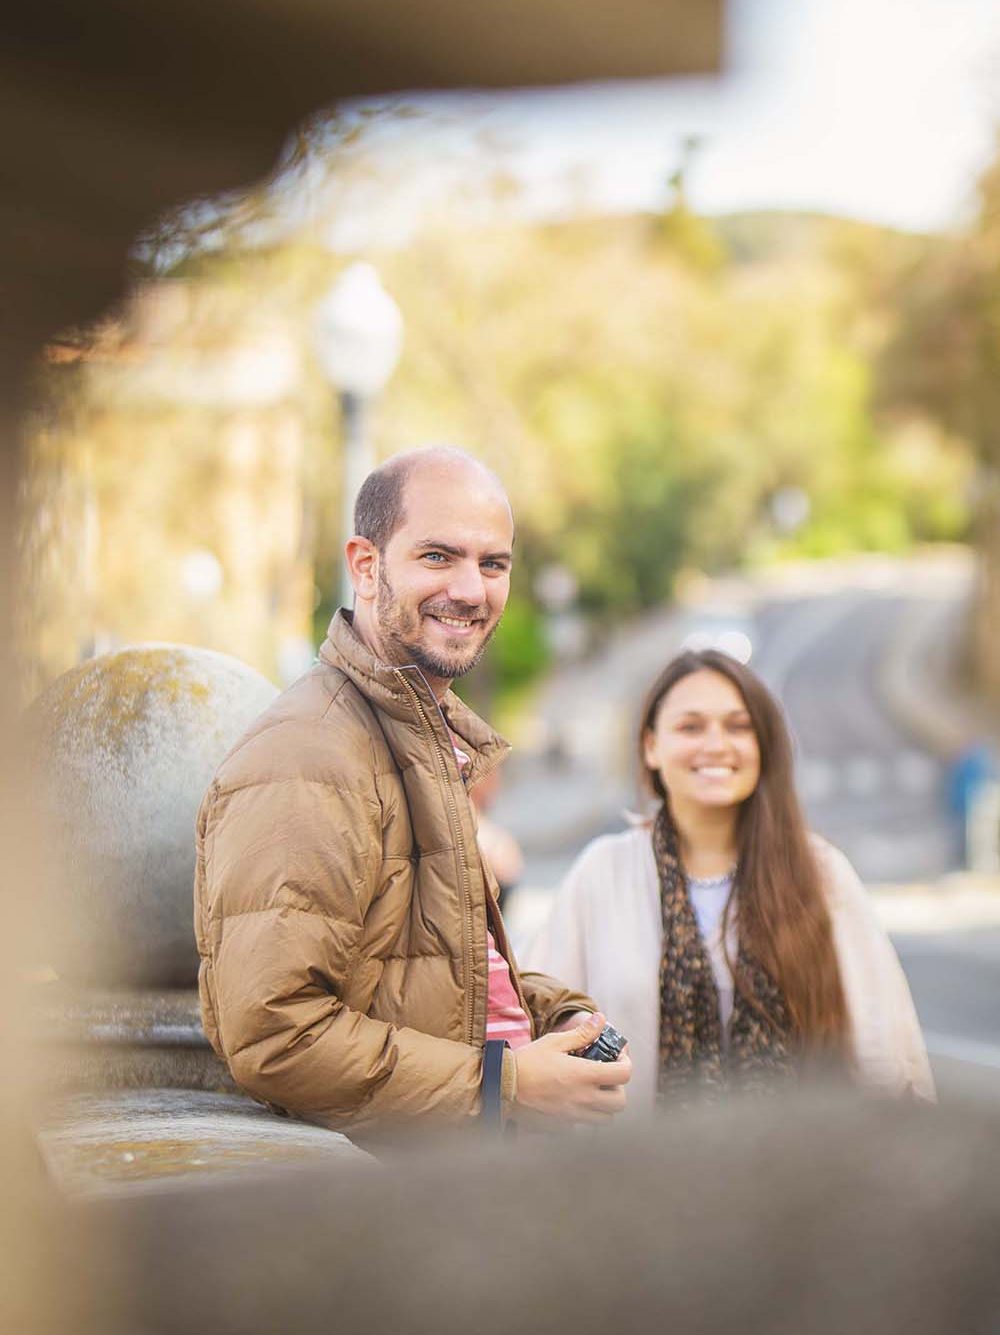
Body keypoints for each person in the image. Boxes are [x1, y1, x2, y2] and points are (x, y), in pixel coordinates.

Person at [194, 446, 630, 1138]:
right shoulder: (307, 755)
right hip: (404, 1198)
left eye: (493, 564)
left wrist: (559, 1016)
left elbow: (423, 975)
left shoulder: (420, 736)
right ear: (366, 566)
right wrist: (505, 1084)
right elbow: (275, 1034)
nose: (471, 589)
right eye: (438, 556)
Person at [524, 648, 935, 1111]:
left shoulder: (821, 872)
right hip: (639, 1170)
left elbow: (885, 1048)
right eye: (691, 727)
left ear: (763, 745)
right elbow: (542, 1026)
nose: (716, 745)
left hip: (808, 1169)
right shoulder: (602, 873)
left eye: (738, 727)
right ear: (650, 746)